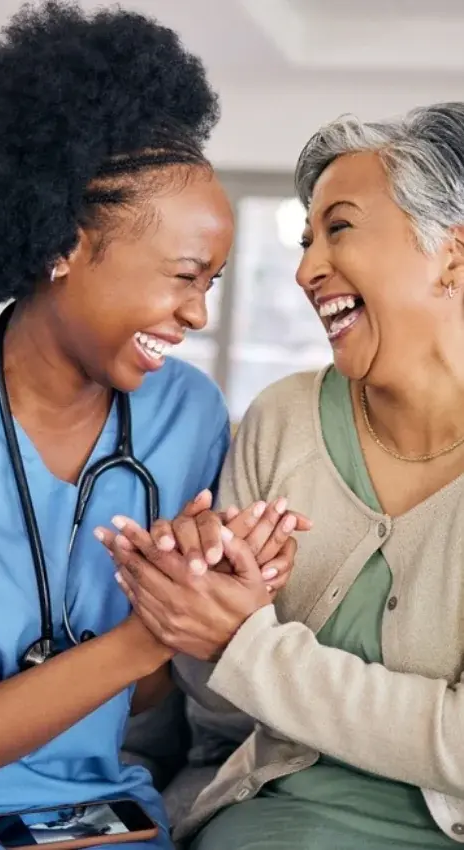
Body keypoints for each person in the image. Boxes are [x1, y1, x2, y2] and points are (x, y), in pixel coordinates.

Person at [0, 3, 307, 848]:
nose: (199, 313)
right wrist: (147, 633)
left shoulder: (187, 414)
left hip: (104, 811)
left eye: (214, 281)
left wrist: (206, 588)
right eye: (183, 275)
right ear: (63, 242)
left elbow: (148, 701)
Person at [104, 102, 464, 849]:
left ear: (453, 256)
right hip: (271, 818)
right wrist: (205, 587)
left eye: (339, 228)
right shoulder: (285, 418)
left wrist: (247, 639)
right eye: (305, 240)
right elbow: (222, 726)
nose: (304, 270)